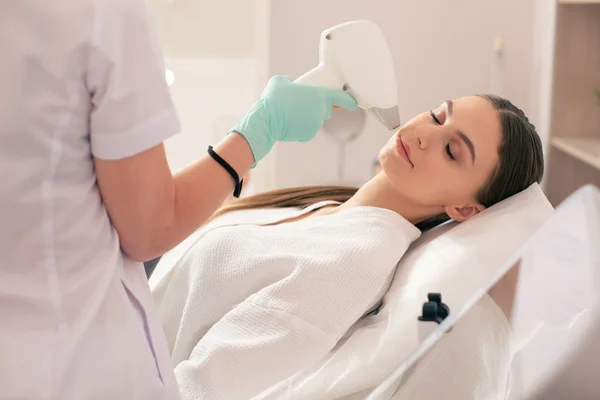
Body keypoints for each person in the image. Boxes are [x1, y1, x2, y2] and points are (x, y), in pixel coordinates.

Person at [0, 1, 357, 399]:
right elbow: (152, 227)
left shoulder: (367, 247)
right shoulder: (103, 17)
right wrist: (260, 131)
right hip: (73, 370)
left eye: (445, 145)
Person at [149, 94, 545, 399]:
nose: (425, 133)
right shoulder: (329, 206)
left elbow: (209, 389)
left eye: (451, 151)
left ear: (463, 208)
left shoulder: (354, 262)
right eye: (438, 115)